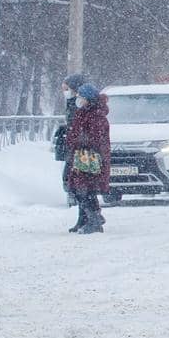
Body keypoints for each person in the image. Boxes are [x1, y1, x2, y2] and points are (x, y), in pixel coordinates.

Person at [64, 83, 111, 235]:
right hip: (80, 156)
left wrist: (80, 140)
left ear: (88, 99)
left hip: (90, 157)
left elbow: (96, 138)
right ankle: (85, 218)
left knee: (85, 189)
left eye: (81, 97)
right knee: (79, 188)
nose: (78, 100)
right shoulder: (83, 112)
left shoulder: (96, 115)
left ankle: (94, 219)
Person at [53, 73, 88, 204]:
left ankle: (89, 214)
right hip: (74, 146)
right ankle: (82, 208)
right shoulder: (71, 102)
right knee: (71, 176)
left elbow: (81, 126)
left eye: (67, 89)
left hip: (81, 148)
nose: (65, 92)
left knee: (77, 178)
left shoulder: (80, 104)